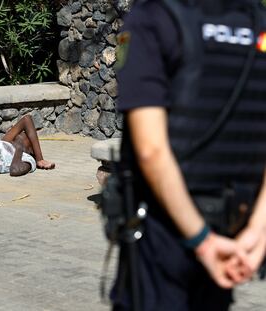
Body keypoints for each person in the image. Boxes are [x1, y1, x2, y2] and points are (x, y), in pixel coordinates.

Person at [113, 0, 266, 310]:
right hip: (236, 233)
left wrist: (203, 243)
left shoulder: (153, 18)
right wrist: (257, 232)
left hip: (165, 237)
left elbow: (151, 150)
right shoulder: (258, 23)